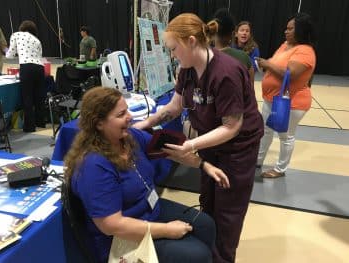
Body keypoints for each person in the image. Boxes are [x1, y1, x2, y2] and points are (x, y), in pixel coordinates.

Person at [133, 13, 264, 263]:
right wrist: (145, 123)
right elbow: (174, 106)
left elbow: (232, 127)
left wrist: (190, 145)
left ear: (191, 41)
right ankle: (206, 254)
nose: (172, 55)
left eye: (173, 48)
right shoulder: (187, 69)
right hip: (210, 144)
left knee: (228, 213)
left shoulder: (226, 72)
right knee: (208, 201)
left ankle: (223, 258)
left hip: (238, 148)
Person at [64, 86, 231, 263]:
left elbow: (172, 151)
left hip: (146, 209)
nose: (129, 117)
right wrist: (166, 230)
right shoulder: (93, 166)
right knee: (197, 255)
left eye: (127, 110)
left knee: (206, 225)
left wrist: (204, 165)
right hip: (120, 239)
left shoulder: (129, 138)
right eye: (121, 115)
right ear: (99, 123)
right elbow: (111, 225)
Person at [255, 12, 316, 178]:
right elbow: (276, 65)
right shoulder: (285, 45)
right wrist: (266, 65)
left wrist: (267, 64)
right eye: (286, 28)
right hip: (271, 99)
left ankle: (280, 169)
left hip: (291, 102)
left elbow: (290, 73)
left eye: (290, 29)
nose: (286, 31)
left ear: (301, 31)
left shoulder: (305, 51)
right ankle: (258, 160)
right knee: (266, 131)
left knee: (285, 136)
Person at [6, 20, 46, 132]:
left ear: (21, 28)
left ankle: (29, 126)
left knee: (27, 96)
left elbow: (10, 55)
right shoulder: (37, 40)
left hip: (27, 67)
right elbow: (40, 55)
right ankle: (41, 122)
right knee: (39, 97)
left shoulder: (16, 35)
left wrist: (5, 50)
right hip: (39, 67)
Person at [208, 8, 254, 85]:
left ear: (213, 31)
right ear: (233, 34)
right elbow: (250, 91)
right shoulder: (244, 57)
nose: (244, 33)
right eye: (242, 30)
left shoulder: (203, 57)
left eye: (247, 31)